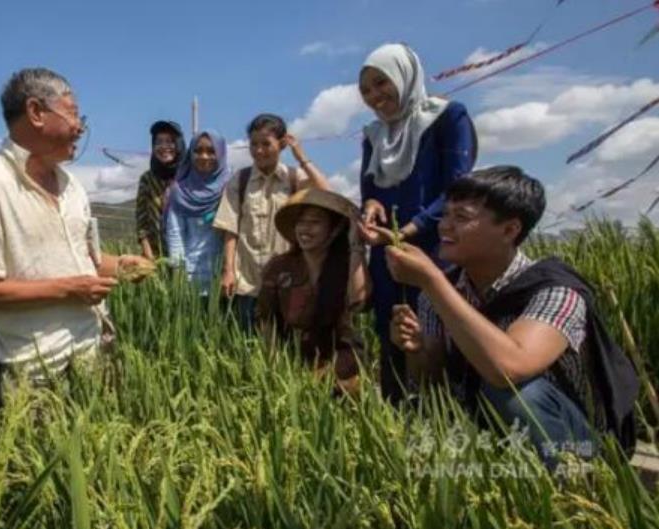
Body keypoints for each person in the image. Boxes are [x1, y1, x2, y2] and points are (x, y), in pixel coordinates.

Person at [385, 166, 638, 463]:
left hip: (573, 441)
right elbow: (432, 386)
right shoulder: (436, 295)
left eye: (461, 217)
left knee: (517, 394)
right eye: (446, 214)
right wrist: (418, 351)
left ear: (509, 230)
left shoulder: (555, 290)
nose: (444, 226)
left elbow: (510, 369)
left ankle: (578, 484)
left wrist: (432, 280)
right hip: (488, 434)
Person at [0, 67, 151, 395]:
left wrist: (122, 266)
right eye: (73, 114)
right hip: (35, 370)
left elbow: (86, 260)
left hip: (95, 347)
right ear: (36, 112)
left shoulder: (72, 187)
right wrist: (68, 290)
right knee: (43, 448)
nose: (80, 127)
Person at [355, 43, 477, 403]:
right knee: (392, 332)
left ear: (404, 77)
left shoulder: (447, 117)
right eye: (366, 90)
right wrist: (372, 209)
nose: (375, 96)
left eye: (382, 83)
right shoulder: (374, 135)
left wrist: (411, 229)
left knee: (435, 333)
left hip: (436, 249)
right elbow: (370, 191)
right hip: (386, 252)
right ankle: (395, 425)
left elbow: (458, 188)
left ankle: (446, 422)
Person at [213, 113, 331, 331]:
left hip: (286, 282)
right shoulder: (240, 180)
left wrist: (301, 156)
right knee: (246, 344)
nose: (259, 151)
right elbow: (230, 229)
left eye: (266, 144)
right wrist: (228, 271)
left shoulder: (294, 179)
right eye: (254, 144)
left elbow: (326, 192)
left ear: (282, 143)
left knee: (284, 347)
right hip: (247, 282)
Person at [257, 188, 370, 395]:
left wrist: (356, 245)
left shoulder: (348, 269)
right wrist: (275, 369)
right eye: (301, 222)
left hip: (343, 368)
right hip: (296, 365)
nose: (305, 229)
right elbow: (267, 323)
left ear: (334, 229)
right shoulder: (279, 268)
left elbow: (359, 303)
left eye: (315, 222)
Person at [165, 129, 230, 296]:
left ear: (221, 154)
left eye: (211, 151)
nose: (204, 156)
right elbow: (175, 234)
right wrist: (179, 274)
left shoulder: (230, 187)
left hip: (223, 278)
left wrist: (228, 269)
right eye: (198, 151)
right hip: (189, 281)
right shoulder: (179, 191)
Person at [135, 120, 186, 260]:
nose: (164, 146)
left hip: (188, 259)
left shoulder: (189, 178)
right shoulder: (147, 179)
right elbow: (142, 222)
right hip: (157, 258)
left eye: (170, 141)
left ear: (179, 144)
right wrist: (149, 255)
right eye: (159, 142)